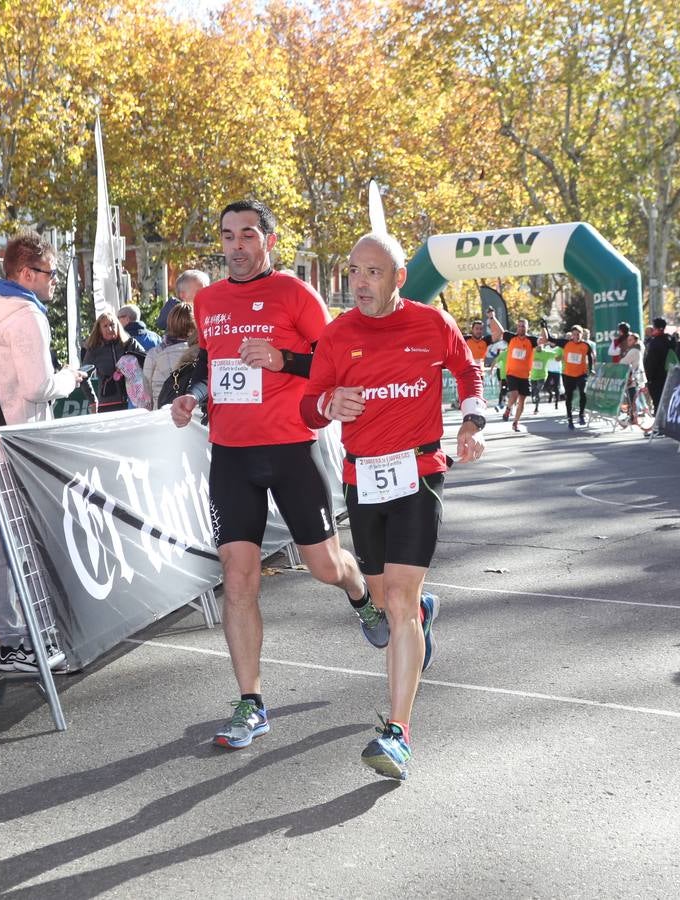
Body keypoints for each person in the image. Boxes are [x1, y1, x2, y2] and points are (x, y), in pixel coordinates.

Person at [168, 199, 369, 750]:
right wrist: (193, 397)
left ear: (268, 242)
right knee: (238, 577)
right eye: (228, 235)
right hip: (231, 454)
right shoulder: (207, 300)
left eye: (248, 235)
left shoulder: (296, 295)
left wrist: (285, 360)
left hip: (289, 449)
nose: (236, 246)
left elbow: (337, 360)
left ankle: (361, 592)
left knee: (325, 567)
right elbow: (213, 364)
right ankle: (250, 702)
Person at [300, 232, 487, 781]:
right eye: (354, 271)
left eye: (373, 272)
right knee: (386, 601)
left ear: (398, 277)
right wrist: (329, 402)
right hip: (363, 480)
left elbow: (468, 372)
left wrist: (472, 424)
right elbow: (310, 408)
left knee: (400, 600)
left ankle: (398, 734)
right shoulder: (337, 334)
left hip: (419, 473)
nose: (359, 282)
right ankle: (420, 617)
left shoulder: (431, 324)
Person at [0, 232, 86, 671]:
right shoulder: (25, 316)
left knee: (1, 541)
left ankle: (14, 637)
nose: (55, 282)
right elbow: (38, 386)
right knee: (21, 541)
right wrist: (70, 378)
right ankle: (22, 640)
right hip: (18, 445)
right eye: (51, 274)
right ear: (26, 273)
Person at [488, 307, 547, 431]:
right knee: (514, 394)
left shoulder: (531, 340)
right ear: (517, 327)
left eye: (523, 326)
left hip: (525, 376)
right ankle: (508, 409)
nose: (521, 328)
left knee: (522, 400)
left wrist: (543, 327)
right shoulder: (511, 337)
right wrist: (492, 317)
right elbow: (499, 330)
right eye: (519, 326)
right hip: (512, 373)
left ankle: (516, 422)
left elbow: (544, 340)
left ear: (527, 328)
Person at [80, 313, 144, 413]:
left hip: (133, 403)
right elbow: (83, 376)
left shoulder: (130, 344)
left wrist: (131, 364)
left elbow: (147, 362)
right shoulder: (94, 350)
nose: (109, 329)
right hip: (107, 405)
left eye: (112, 324)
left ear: (118, 325)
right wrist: (93, 401)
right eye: (105, 326)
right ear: (99, 330)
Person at [143, 302, 198, 408]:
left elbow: (146, 394)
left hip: (161, 415)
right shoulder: (201, 352)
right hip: (191, 414)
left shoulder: (153, 354)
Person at [560, 324, 594, 428]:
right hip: (568, 375)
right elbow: (552, 339)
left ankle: (581, 415)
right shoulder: (566, 343)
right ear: (572, 335)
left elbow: (590, 356)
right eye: (574, 334)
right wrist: (545, 328)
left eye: (578, 334)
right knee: (569, 397)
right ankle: (570, 419)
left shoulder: (586, 345)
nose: (577, 336)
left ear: (582, 334)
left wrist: (591, 368)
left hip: (581, 374)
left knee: (582, 392)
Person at [642, 317, 673, 413]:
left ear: (658, 329)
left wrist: (649, 377)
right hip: (669, 375)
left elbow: (652, 362)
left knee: (658, 404)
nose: (652, 331)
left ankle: (659, 425)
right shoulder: (670, 340)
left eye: (653, 328)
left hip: (656, 378)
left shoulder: (655, 343)